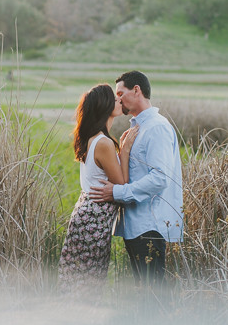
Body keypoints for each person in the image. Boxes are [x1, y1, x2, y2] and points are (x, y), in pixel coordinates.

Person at [89, 70, 183, 286]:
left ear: (137, 90)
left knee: (154, 294)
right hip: (135, 225)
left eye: (120, 93)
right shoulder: (137, 129)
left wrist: (116, 192)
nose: (117, 99)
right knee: (146, 292)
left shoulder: (157, 127)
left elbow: (160, 178)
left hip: (149, 225)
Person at [57, 83, 133, 290]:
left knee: (77, 277)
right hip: (95, 219)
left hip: (87, 214)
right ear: (105, 106)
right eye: (114, 98)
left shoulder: (93, 139)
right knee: (89, 281)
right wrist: (125, 151)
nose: (119, 100)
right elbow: (122, 185)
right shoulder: (104, 143)